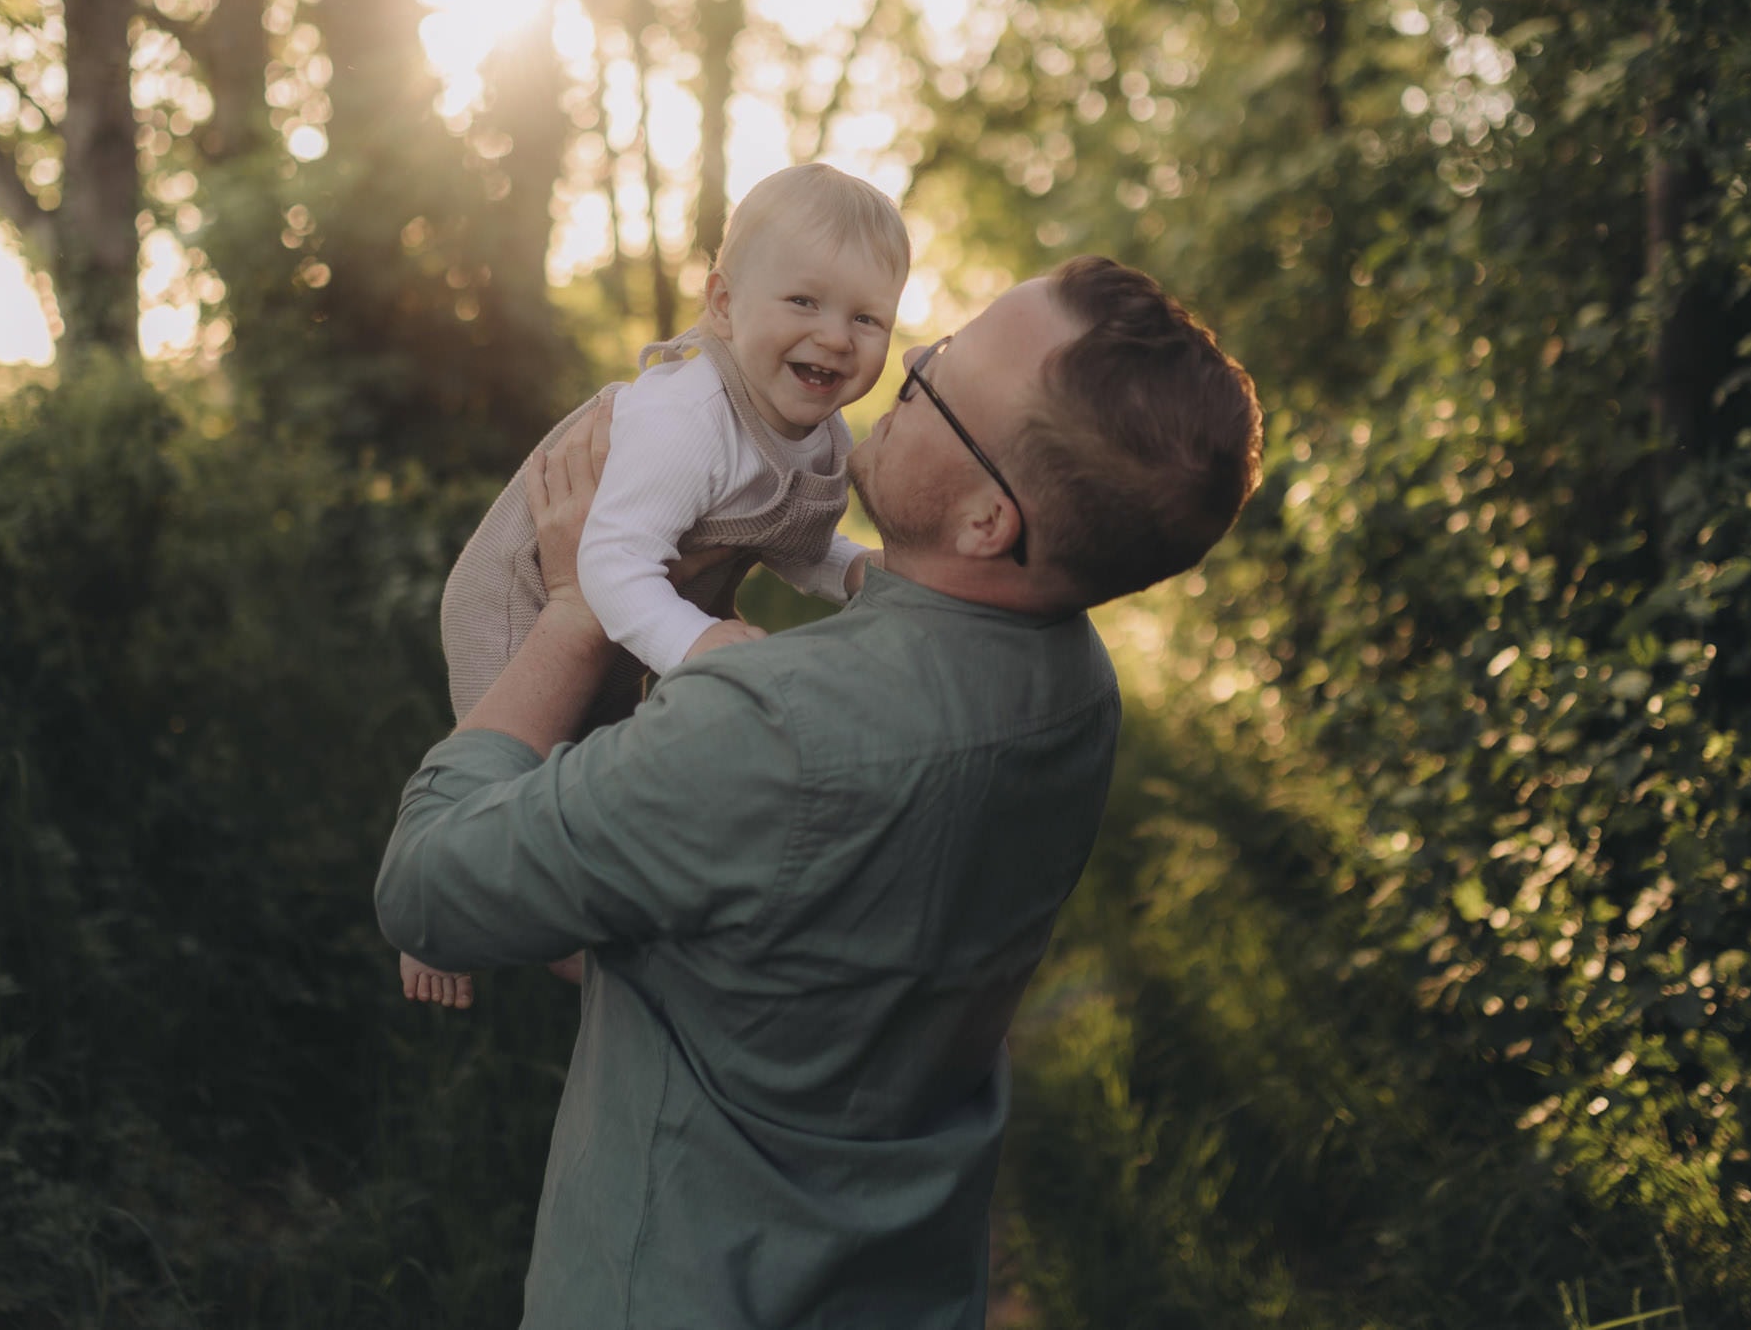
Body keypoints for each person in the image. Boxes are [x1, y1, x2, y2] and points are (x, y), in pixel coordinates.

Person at [376, 255, 1263, 1328]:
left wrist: (575, 607)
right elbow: (705, 918)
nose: (903, 371)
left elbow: (428, 887)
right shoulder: (1075, 690)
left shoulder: (775, 726)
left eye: (939, 379)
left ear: (989, 519)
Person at [405, 162, 910, 1009]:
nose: (835, 336)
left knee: (601, 764)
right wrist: (698, 641)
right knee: (502, 769)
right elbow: (607, 561)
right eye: (803, 302)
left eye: (867, 317)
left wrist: (852, 569)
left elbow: (790, 540)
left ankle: (601, 939)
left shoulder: (817, 430)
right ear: (721, 305)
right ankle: (432, 918)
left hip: (641, 599)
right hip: (523, 589)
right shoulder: (690, 419)